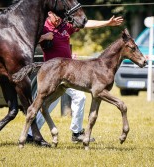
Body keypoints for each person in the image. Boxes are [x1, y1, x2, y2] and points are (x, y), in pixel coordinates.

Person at [28, 11, 124, 145]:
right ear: (49, 14)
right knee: (45, 105)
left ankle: (76, 133)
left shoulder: (64, 25)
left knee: (79, 97)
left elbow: (86, 24)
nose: (59, 19)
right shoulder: (43, 27)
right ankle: (31, 135)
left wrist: (107, 23)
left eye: (61, 16)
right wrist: (44, 37)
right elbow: (28, 41)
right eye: (57, 16)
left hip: (71, 73)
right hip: (52, 74)